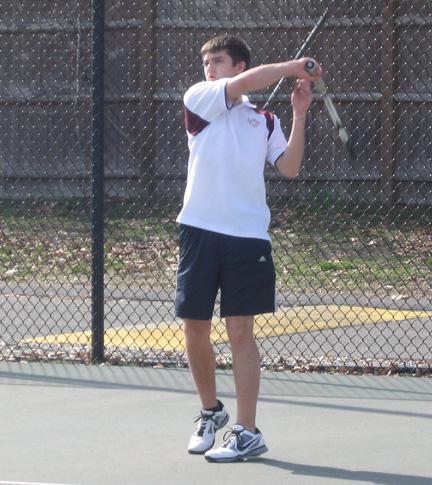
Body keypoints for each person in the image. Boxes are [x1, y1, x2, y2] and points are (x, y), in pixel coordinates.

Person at [175, 34, 322, 463]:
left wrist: (298, 115)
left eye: (218, 62)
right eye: (207, 62)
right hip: (199, 231)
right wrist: (293, 66)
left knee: (241, 331)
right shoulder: (200, 101)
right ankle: (209, 412)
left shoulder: (266, 121)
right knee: (194, 327)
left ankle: (247, 431)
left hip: (248, 237)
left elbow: (290, 168)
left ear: (238, 65)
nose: (210, 69)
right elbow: (252, 82)